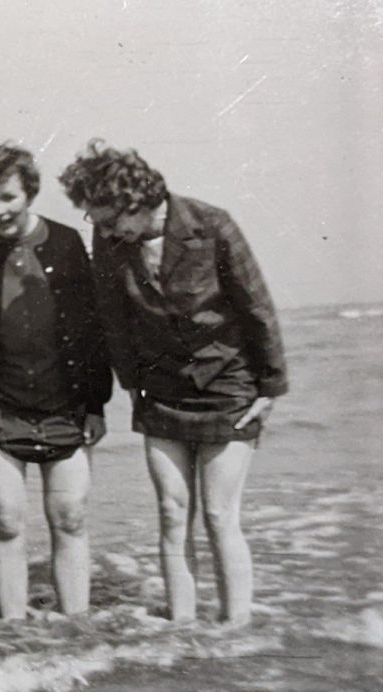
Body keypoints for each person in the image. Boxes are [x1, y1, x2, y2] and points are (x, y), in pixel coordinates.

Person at [59, 139, 288, 625]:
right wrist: (132, 383)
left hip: (228, 386)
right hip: (161, 391)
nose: (104, 231)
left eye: (109, 220)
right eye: (97, 222)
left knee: (219, 515)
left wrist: (270, 389)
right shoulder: (110, 239)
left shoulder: (213, 224)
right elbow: (112, 318)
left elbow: (257, 307)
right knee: (171, 511)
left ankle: (236, 629)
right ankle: (180, 629)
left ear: (135, 201)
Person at [0, 144, 111, 620]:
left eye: (8, 197)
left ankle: (77, 627)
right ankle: (12, 631)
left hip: (65, 407)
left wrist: (96, 404)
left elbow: (92, 330)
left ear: (30, 192)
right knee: (6, 523)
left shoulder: (67, 243)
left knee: (70, 519)